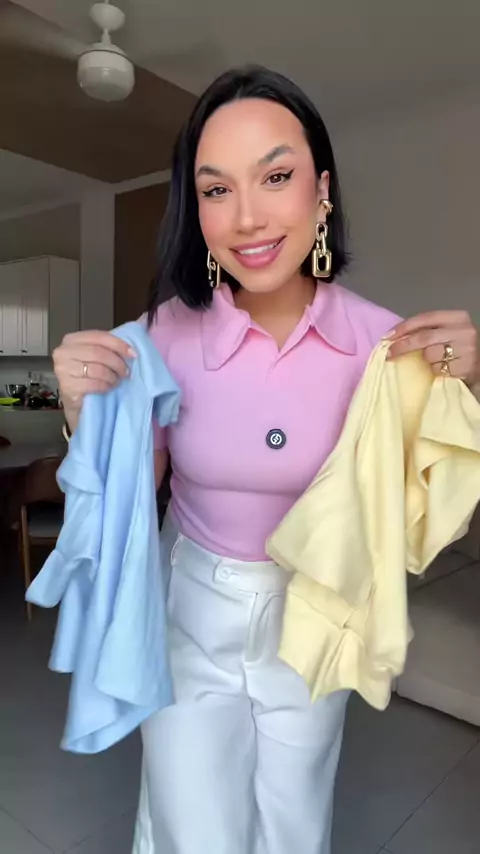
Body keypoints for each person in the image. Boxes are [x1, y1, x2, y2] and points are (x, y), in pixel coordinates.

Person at [53, 67, 479, 854]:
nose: (246, 216)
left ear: (323, 190)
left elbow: (425, 511)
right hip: (190, 608)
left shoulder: (386, 346)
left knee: (294, 824)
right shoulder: (162, 334)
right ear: (197, 210)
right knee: (193, 827)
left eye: (276, 176)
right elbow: (127, 499)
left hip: (316, 612)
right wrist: (87, 418)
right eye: (216, 190)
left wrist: (464, 393)